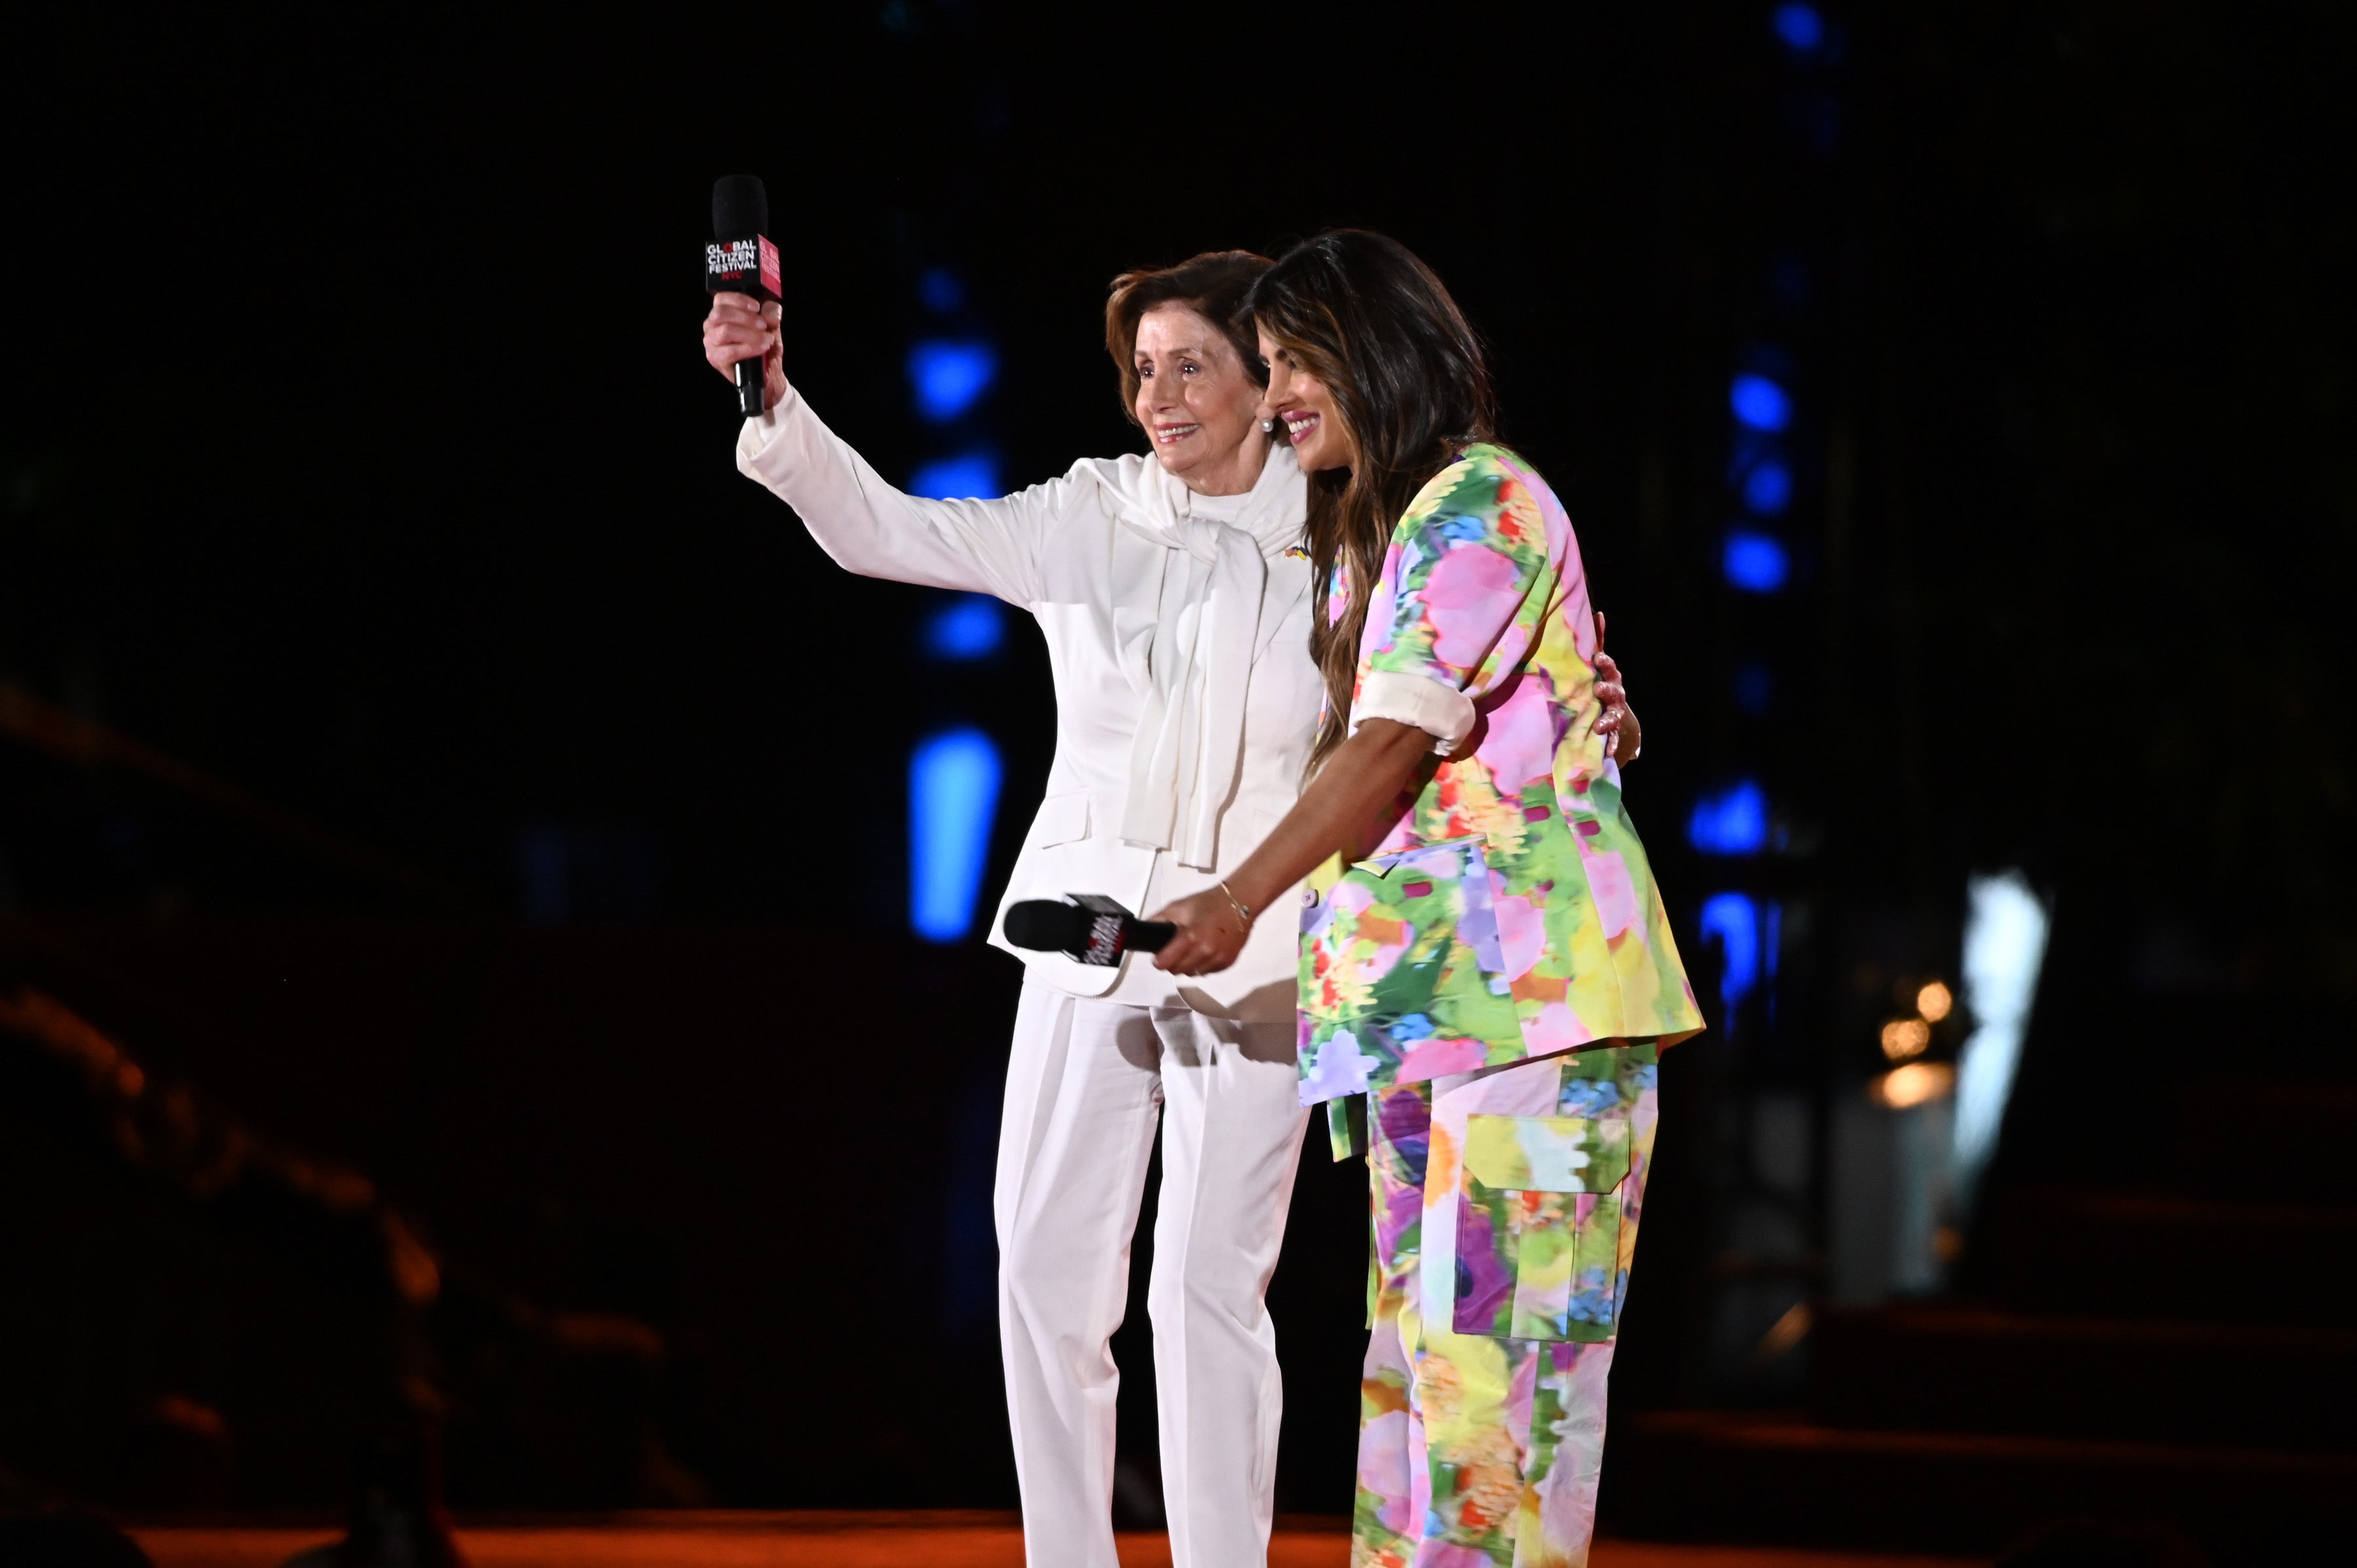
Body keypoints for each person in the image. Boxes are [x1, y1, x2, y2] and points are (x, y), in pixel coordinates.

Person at [703, 251, 1642, 1568]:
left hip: (1264, 954)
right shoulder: (1090, 512)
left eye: (1190, 362)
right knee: (1040, 1267)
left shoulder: (1350, 529)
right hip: (1085, 938)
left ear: (1271, 382)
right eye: (1141, 368)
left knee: (1210, 1283)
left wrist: (1590, 687)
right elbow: (886, 529)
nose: (1157, 393)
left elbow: (1455, 684)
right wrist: (774, 407)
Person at [1149, 230, 1704, 1568]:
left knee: (1492, 1407)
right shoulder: (1372, 539)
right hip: (1420, 1022)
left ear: (1375, 349)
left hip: (1539, 1014)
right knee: (1412, 1393)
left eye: (1292, 362)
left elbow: (1394, 738)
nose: (1277, 393)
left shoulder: (1482, 504)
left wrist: (1233, 901)